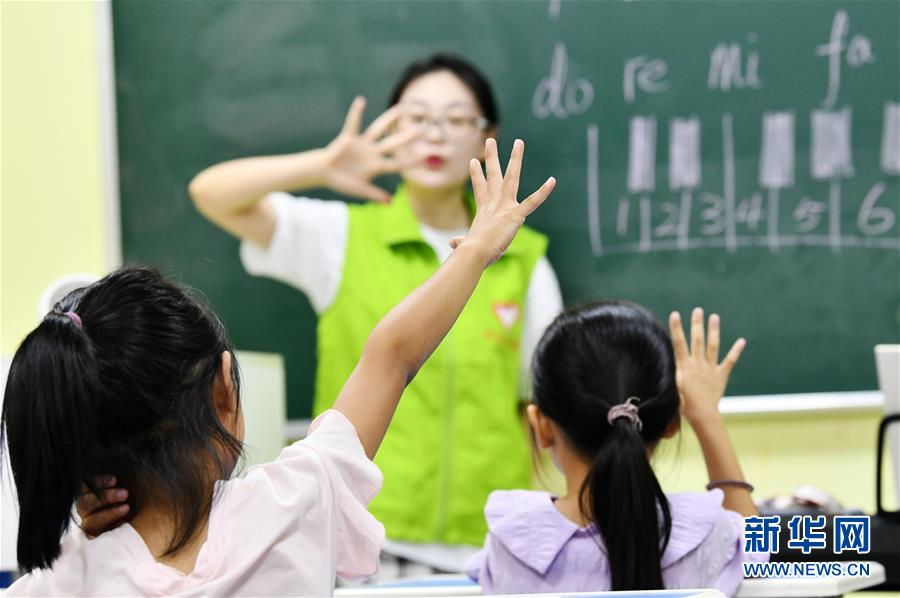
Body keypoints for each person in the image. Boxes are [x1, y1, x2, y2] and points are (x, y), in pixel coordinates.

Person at [2, 139, 555, 595]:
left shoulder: (54, 586)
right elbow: (391, 355)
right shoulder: (291, 508)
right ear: (224, 391)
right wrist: (475, 250)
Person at [182, 53, 563, 569]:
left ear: (486, 138)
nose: (434, 135)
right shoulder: (342, 237)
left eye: (456, 120)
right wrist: (321, 167)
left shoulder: (524, 261)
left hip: (490, 542)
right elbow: (211, 193)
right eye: (416, 118)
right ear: (390, 130)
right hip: (363, 540)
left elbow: (539, 406)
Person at [466, 303, 768, 595]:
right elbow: (757, 553)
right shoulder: (705, 536)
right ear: (672, 423)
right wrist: (706, 417)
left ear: (541, 426)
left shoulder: (511, 542)